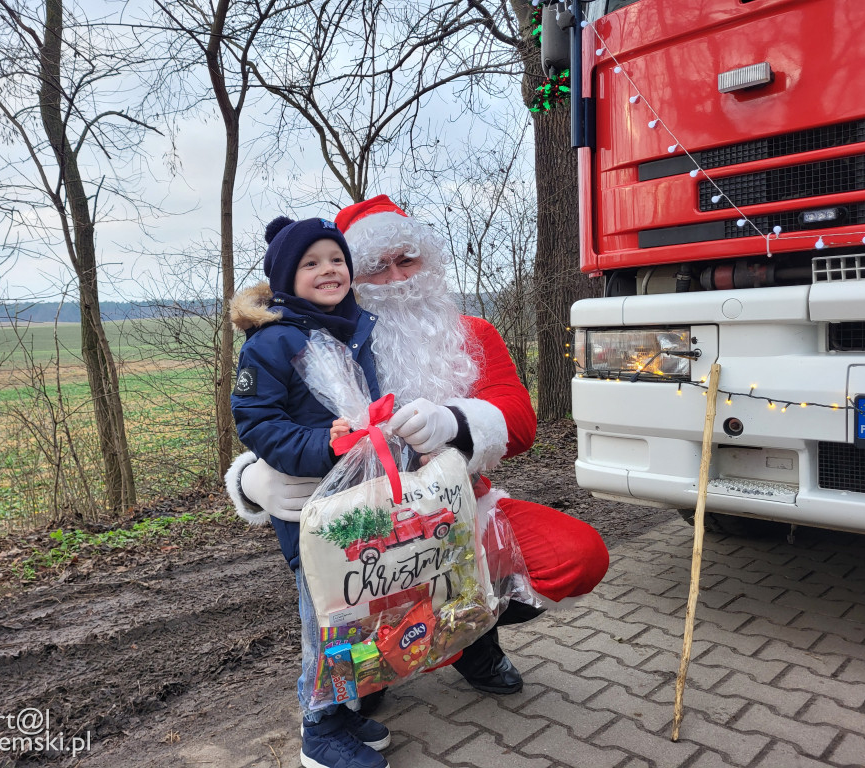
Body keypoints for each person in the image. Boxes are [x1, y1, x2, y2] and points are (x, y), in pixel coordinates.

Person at [226, 196, 610, 706]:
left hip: (464, 507)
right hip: (366, 524)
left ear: (429, 261)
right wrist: (253, 479)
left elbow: (520, 421)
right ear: (352, 279)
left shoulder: (472, 333)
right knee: (359, 588)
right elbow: (281, 421)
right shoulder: (328, 342)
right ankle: (376, 665)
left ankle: (469, 639)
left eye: (407, 259)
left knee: (577, 556)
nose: (396, 277)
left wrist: (451, 421)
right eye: (377, 267)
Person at [228, 214, 391, 768]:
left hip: (362, 503)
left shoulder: (352, 329)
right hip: (311, 509)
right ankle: (318, 728)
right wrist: (323, 443)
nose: (329, 270)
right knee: (324, 620)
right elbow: (257, 421)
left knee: (360, 612)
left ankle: (345, 710)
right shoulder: (273, 342)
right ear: (283, 277)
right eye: (311, 263)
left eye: (336, 260)